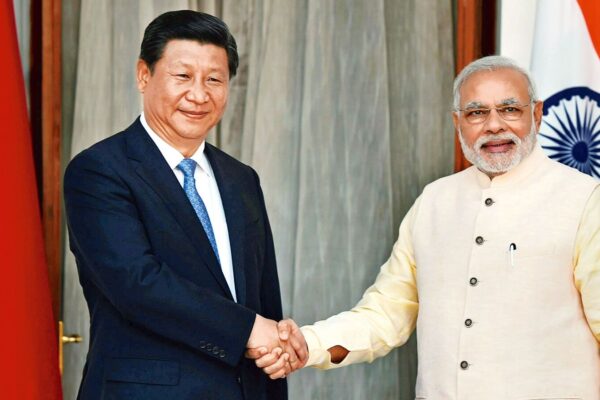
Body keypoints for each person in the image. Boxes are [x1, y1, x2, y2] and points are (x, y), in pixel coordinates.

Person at [249, 56, 600, 399]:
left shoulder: (583, 200)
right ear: (457, 122)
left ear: (536, 114)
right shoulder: (435, 200)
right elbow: (386, 313)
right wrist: (307, 344)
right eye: (477, 112)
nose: (494, 125)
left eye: (510, 109)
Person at [64, 10, 304, 400]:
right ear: (144, 75)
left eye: (214, 79)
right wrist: (247, 329)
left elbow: (263, 299)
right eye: (183, 77)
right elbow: (137, 283)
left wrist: (275, 347)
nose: (199, 94)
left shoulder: (241, 179)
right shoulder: (100, 170)